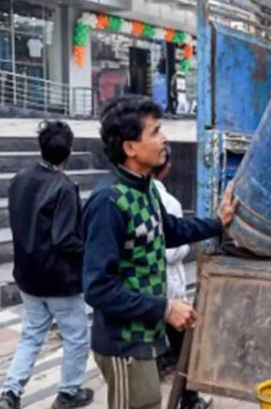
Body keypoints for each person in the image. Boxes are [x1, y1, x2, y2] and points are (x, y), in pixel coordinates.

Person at [83, 95, 232, 409]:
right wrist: (165, 309)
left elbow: (172, 230)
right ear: (130, 148)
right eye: (155, 132)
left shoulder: (146, 188)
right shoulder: (108, 202)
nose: (164, 138)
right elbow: (98, 288)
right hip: (123, 342)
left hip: (145, 336)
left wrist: (219, 223)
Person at [0, 121, 93, 409]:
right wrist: (91, 251)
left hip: (27, 274)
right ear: (69, 152)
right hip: (58, 279)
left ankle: (10, 393)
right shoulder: (63, 187)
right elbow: (65, 239)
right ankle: (69, 392)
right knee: (76, 335)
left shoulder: (20, 179)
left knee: (32, 334)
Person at [151, 150, 213, 409]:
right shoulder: (169, 202)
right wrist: (185, 246)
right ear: (165, 168)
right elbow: (171, 251)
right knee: (184, 346)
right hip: (169, 289)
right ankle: (189, 399)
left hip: (150, 290)